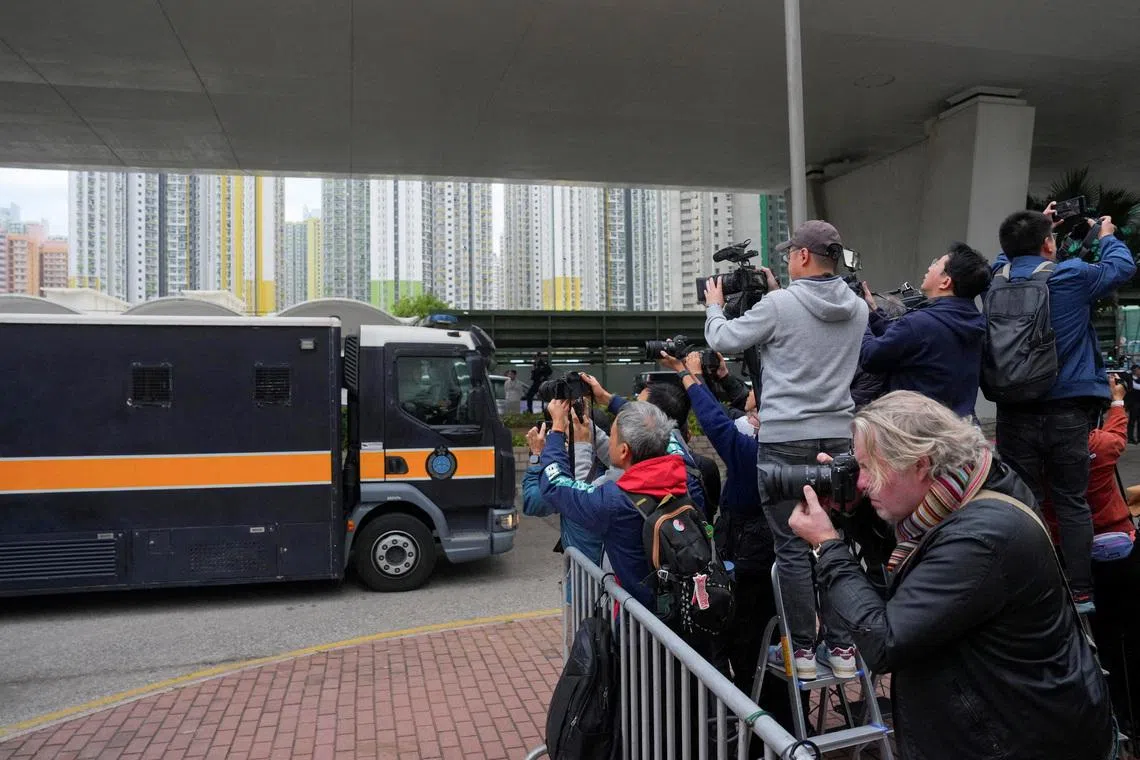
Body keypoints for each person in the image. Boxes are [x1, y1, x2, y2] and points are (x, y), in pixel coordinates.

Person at [790, 391, 1114, 760]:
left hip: (1015, 742)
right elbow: (924, 571)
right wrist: (857, 515)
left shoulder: (981, 538)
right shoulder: (971, 487)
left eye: (869, 468)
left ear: (920, 464)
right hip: (1016, 722)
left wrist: (826, 546)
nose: (861, 482)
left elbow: (886, 641)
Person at [704, 219, 868, 679]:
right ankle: (841, 649)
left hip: (784, 442)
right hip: (838, 440)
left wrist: (715, 306)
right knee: (834, 541)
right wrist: (779, 292)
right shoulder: (857, 308)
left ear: (800, 256)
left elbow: (723, 339)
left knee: (792, 547)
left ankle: (800, 652)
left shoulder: (779, 305)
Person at [992, 205, 1136, 612]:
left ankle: (1038, 587)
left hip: (1013, 410)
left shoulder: (993, 280)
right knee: (1071, 500)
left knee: (1027, 501)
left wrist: (1033, 228)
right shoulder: (1069, 275)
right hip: (1067, 410)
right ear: (1049, 244)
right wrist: (1105, 233)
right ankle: (1081, 590)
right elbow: (1120, 267)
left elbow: (1005, 257)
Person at [658, 350, 776, 699]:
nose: (747, 409)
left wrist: (686, 375)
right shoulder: (790, 439)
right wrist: (721, 378)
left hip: (749, 557)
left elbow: (717, 423)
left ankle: (761, 734)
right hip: (771, 555)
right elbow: (737, 406)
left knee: (748, 649)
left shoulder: (754, 452)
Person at [1044, 375, 1140, 733]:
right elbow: (1117, 435)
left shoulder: (1041, 454)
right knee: (1128, 634)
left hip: (1068, 558)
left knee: (1088, 640)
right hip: (1119, 550)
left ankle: (1104, 717)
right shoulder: (1098, 444)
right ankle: (1130, 716)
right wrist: (1117, 400)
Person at [859, 242, 990, 418]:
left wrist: (861, 319)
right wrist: (875, 312)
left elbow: (870, 357)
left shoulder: (920, 324)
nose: (930, 267)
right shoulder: (976, 322)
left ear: (946, 281)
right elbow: (911, 341)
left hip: (919, 433)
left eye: (936, 263)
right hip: (960, 430)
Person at [579, 372, 707, 517]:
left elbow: (579, 498)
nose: (631, 409)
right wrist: (604, 398)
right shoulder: (671, 453)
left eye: (637, 405)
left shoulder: (624, 486)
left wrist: (580, 443)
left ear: (651, 417)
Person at [521, 420, 604, 565]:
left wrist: (539, 457)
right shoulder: (612, 469)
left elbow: (535, 503)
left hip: (587, 577)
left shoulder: (592, 474)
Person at [1127, 366, 1140, 444]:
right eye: (1136, 370)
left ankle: (1139, 438)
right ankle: (1130, 438)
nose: (1138, 372)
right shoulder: (1130, 379)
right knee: (1132, 421)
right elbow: (1134, 386)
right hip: (1133, 403)